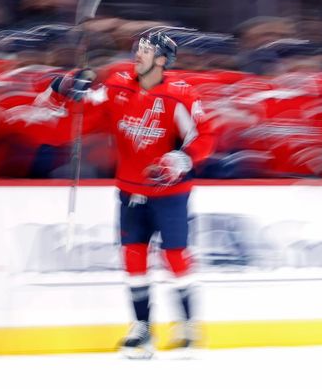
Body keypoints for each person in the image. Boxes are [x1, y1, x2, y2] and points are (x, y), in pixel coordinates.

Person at [49, 26, 215, 359]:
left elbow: (203, 137)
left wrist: (183, 157)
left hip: (169, 192)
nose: (137, 54)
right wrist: (65, 89)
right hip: (129, 190)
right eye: (137, 48)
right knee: (133, 258)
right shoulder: (116, 86)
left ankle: (187, 327)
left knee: (176, 256)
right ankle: (142, 329)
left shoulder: (181, 94)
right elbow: (82, 115)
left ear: (162, 59)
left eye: (145, 49)